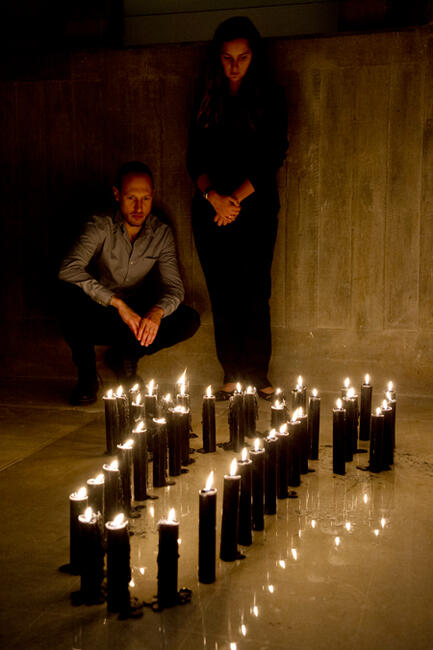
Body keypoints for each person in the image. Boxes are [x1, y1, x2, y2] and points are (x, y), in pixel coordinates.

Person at [187, 16, 288, 401]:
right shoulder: (205, 97)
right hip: (211, 208)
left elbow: (273, 155)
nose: (234, 66)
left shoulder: (270, 96)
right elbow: (194, 158)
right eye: (227, 58)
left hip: (256, 207)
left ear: (254, 57)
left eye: (242, 57)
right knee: (223, 290)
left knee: (255, 289)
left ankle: (258, 373)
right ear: (218, 59)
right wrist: (213, 196)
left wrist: (235, 200)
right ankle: (230, 371)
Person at [59, 161, 200, 405]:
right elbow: (68, 268)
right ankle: (87, 378)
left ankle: (125, 356)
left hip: (135, 318)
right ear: (117, 194)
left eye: (145, 199)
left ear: (152, 195)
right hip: (102, 311)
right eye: (131, 198)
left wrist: (156, 313)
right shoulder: (101, 225)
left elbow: (174, 288)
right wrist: (116, 303)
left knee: (188, 319)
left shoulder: (161, 233)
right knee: (68, 298)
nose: (138, 207)